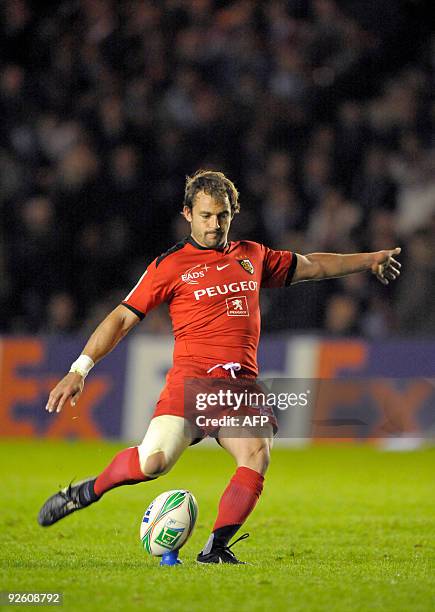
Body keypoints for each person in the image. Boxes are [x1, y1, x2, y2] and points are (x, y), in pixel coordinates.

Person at [38, 170, 401, 564]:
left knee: (256, 453)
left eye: (222, 215)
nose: (214, 225)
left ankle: (216, 547)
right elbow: (122, 318)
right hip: (191, 384)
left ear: (233, 213)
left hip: (238, 386)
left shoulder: (253, 256)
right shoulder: (170, 265)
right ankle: (85, 492)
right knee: (153, 462)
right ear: (188, 214)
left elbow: (312, 265)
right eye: (206, 215)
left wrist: (370, 260)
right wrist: (80, 368)